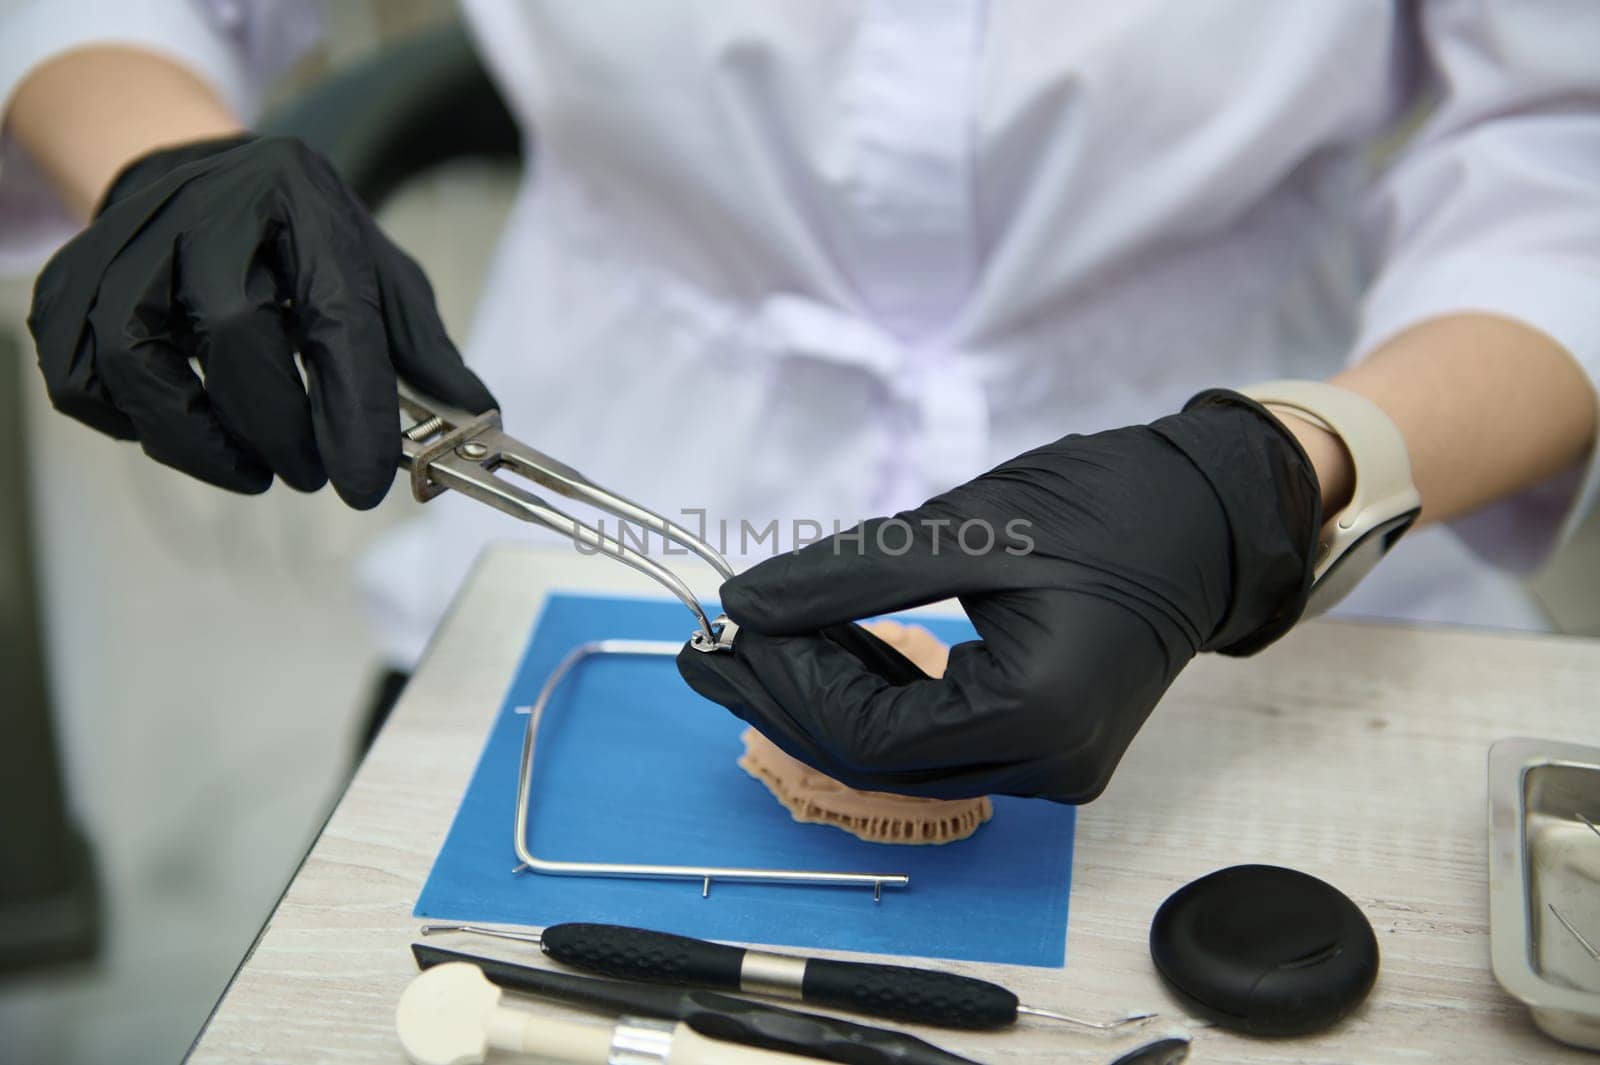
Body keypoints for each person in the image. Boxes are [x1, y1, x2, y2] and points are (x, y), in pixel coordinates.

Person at [4, 2, 1596, 802]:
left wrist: (1277, 476)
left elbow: (1565, 149)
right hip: (574, 569)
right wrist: (163, 162)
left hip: (1290, 552)